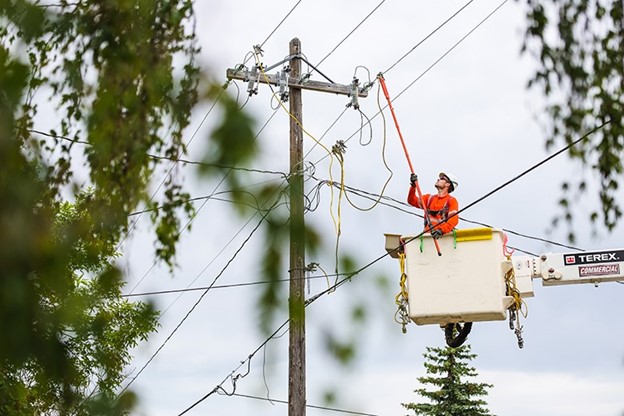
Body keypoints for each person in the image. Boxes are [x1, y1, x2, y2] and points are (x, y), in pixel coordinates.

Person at [407, 172, 459, 238]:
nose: (438, 180)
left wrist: (441, 230)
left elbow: (454, 220)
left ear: (448, 184)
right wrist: (413, 186)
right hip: (428, 236)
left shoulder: (451, 201)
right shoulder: (429, 199)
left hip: (443, 238)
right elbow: (412, 201)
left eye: (442, 179)